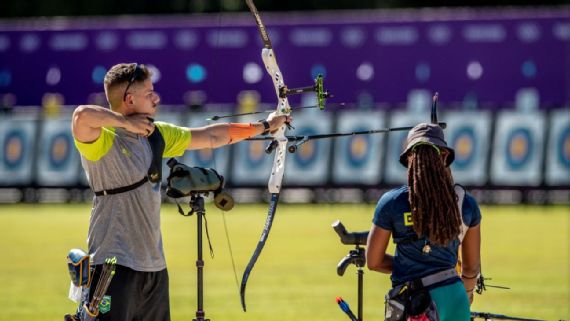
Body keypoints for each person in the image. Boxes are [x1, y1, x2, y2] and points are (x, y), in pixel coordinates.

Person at [71, 62, 291, 321]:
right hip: (112, 266)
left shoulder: (156, 135)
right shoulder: (104, 140)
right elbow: (81, 116)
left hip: (154, 268)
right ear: (129, 99)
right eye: (149, 93)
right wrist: (126, 124)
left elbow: (210, 136)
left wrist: (264, 126)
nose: (156, 98)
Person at [366, 123, 481, 321]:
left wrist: (411, 266)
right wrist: (466, 296)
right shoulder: (466, 204)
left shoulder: (392, 202)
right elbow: (471, 268)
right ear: (444, 156)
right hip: (455, 297)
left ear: (410, 159)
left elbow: (373, 261)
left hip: (416, 302)